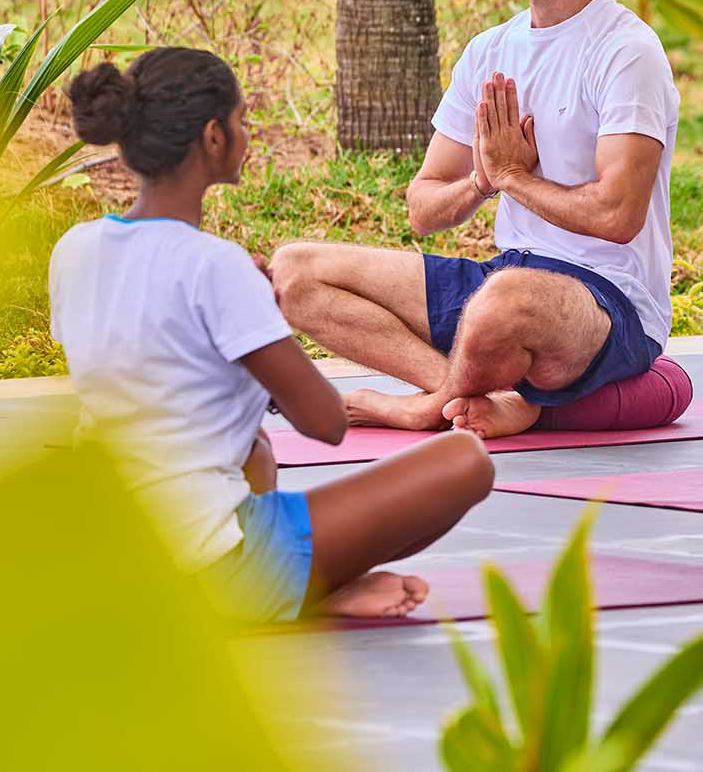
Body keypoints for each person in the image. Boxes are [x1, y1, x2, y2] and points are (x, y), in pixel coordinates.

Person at [50, 47, 493, 622]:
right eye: (240, 122)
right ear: (213, 137)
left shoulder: (74, 251)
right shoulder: (217, 265)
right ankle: (295, 592)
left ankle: (309, 587)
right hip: (214, 564)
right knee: (466, 461)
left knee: (254, 449)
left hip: (113, 555)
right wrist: (264, 316)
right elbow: (325, 423)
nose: (246, 134)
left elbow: (150, 352)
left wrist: (244, 319)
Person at [270, 0, 679, 440]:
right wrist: (483, 180)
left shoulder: (626, 51)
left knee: (502, 299)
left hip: (608, 304)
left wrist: (516, 179)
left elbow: (618, 215)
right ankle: (448, 395)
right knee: (294, 271)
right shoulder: (490, 50)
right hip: (505, 278)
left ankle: (442, 399)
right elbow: (423, 207)